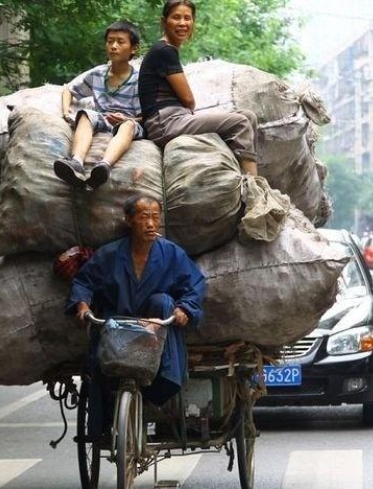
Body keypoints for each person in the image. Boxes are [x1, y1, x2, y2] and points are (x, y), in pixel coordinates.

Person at [65, 195, 207, 437]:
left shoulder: (172, 254)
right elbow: (84, 281)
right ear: (129, 220)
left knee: (163, 301)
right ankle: (102, 427)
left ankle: (162, 384)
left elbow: (195, 284)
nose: (151, 224)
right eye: (143, 217)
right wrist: (82, 306)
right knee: (98, 368)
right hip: (118, 329)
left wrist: (184, 309)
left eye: (155, 217)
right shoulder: (109, 254)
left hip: (156, 331)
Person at [138, 0, 259, 177]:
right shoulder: (165, 50)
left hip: (173, 118)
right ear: (164, 22)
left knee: (248, 117)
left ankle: (238, 178)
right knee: (240, 123)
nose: (182, 23)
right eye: (176, 17)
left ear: (193, 22)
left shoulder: (166, 50)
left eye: (187, 18)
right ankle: (255, 189)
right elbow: (188, 100)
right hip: (165, 123)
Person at [54, 20, 146, 190]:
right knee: (86, 114)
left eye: (120, 41)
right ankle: (76, 162)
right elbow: (69, 89)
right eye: (110, 41)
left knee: (127, 125)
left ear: (134, 49)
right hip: (103, 118)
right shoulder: (98, 73)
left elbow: (149, 115)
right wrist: (66, 109)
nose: (113, 46)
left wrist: (126, 118)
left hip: (130, 122)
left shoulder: (141, 78)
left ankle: (104, 166)